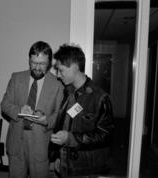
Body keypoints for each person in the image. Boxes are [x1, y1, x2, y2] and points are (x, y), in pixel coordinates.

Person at [1, 41, 64, 178]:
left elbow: (59, 116)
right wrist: (19, 110)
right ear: (29, 60)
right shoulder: (16, 78)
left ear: (49, 63)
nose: (37, 67)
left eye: (42, 64)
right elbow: (4, 104)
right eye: (33, 63)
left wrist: (45, 120)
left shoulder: (58, 84)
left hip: (40, 145)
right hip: (16, 142)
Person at [50, 43, 114, 177]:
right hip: (66, 164)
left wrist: (72, 138)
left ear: (75, 67)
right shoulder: (68, 92)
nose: (58, 75)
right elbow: (64, 124)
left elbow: (105, 136)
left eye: (61, 70)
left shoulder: (100, 97)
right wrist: (58, 157)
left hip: (87, 168)